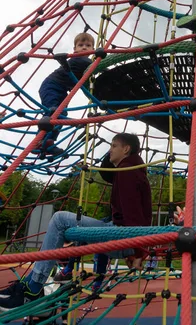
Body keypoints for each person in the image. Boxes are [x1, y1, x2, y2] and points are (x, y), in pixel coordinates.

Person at [0, 132, 152, 311]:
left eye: (113, 146)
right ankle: (30, 284)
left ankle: (33, 289)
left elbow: (134, 214)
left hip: (123, 236)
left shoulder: (128, 172)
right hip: (124, 236)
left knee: (59, 219)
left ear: (126, 149)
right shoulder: (128, 169)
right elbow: (106, 173)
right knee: (64, 223)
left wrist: (137, 251)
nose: (109, 150)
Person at [37, 32, 95, 157]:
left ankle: (48, 143)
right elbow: (94, 68)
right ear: (74, 49)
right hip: (51, 86)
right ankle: (40, 141)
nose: (84, 47)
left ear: (93, 49)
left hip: (61, 90)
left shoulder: (86, 62)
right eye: (80, 45)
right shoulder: (80, 60)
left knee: (61, 114)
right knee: (54, 111)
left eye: (88, 45)